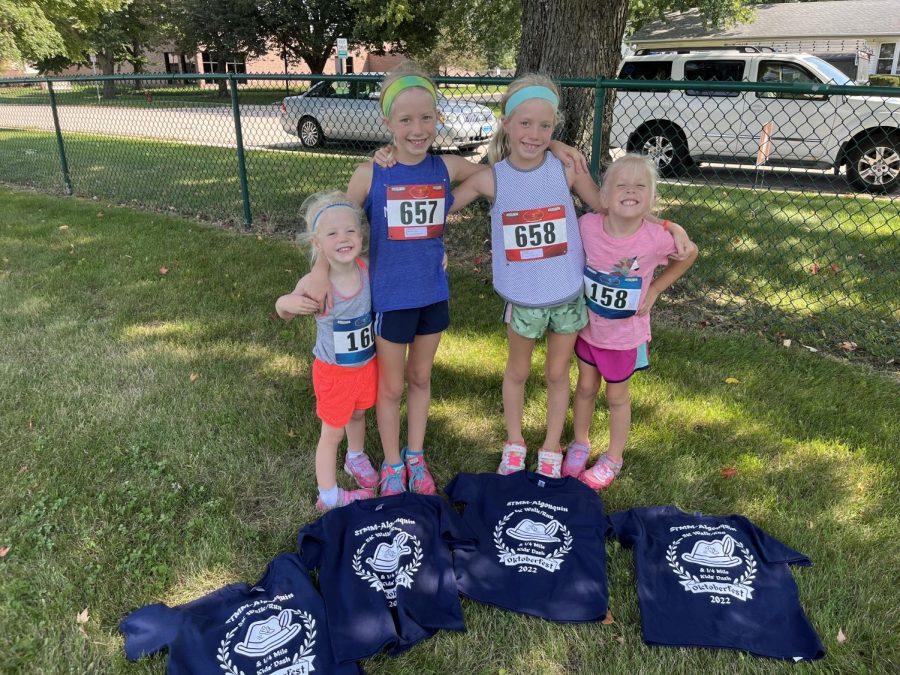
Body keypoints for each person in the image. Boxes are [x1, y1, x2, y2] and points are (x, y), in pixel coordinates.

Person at [294, 65, 586, 496]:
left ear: (438, 119)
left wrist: (555, 143)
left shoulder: (449, 167)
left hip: (432, 294)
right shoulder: (370, 173)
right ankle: (393, 464)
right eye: (406, 120)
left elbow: (507, 166)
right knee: (390, 386)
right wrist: (319, 272)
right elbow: (333, 223)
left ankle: (415, 455)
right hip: (391, 297)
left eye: (426, 118)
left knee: (420, 378)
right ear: (387, 122)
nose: (417, 129)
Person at [450, 74, 694, 479]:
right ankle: (514, 442)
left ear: (554, 127)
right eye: (525, 124)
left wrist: (668, 225)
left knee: (558, 374)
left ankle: (551, 445)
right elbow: (440, 208)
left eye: (545, 126)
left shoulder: (565, 169)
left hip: (565, 295)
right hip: (524, 297)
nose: (535, 133)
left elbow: (609, 203)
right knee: (517, 371)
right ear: (506, 124)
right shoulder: (491, 178)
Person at [565, 154, 698, 489]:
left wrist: (655, 288)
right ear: (605, 197)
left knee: (617, 397)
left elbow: (690, 253)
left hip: (624, 337)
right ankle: (580, 443)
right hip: (589, 329)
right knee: (584, 388)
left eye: (640, 186)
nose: (631, 191)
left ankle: (613, 458)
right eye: (622, 185)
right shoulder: (588, 226)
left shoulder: (655, 238)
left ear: (651, 198)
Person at [275, 191, 378, 511]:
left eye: (350, 231)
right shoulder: (316, 282)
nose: (343, 238)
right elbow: (283, 309)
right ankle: (329, 495)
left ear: (361, 235)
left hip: (365, 366)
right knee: (331, 432)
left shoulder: (367, 270)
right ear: (318, 245)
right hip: (334, 373)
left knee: (359, 414)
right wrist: (288, 303)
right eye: (332, 234)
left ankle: (356, 457)